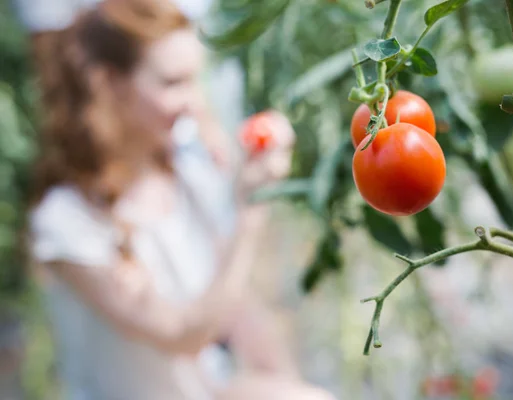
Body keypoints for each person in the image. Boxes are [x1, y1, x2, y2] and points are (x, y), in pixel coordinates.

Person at [17, 0, 336, 398]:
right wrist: (249, 215)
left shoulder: (186, 177)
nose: (195, 103)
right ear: (109, 84)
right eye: (172, 83)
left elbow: (239, 310)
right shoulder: (67, 220)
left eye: (194, 80)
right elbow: (182, 335)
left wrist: (291, 386)